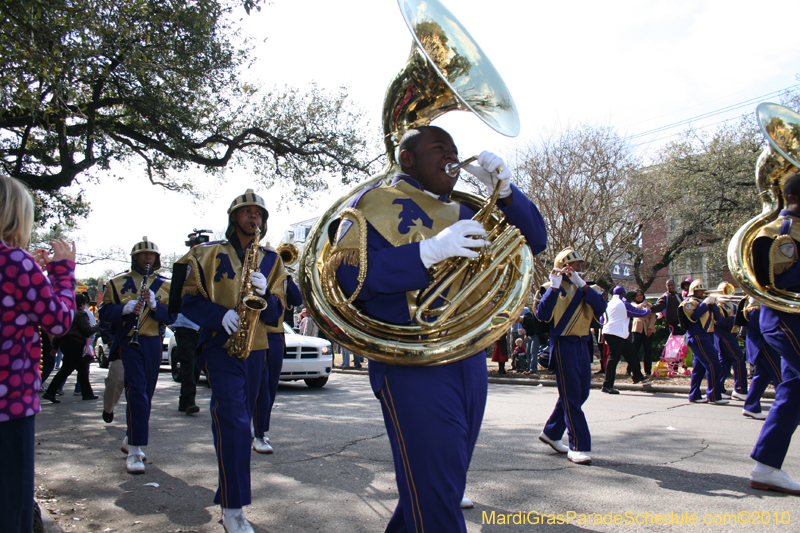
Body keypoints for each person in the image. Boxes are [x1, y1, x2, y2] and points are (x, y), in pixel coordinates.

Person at [333, 126, 547, 532]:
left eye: (454, 148)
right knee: (435, 495)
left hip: (468, 355)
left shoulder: (464, 212)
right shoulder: (372, 203)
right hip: (410, 359)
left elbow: (534, 240)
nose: (452, 155)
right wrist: (427, 252)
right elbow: (348, 278)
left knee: (439, 485)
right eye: (439, 147)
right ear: (407, 158)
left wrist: (505, 193)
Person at [179, 189, 287, 533]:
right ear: (234, 218)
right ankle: (233, 507)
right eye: (247, 213)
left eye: (258, 214)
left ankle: (229, 491)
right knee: (235, 422)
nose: (253, 218)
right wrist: (216, 315)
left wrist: (266, 294)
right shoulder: (206, 253)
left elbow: (281, 310)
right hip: (219, 346)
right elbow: (184, 298)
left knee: (236, 422)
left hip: (256, 348)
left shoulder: (273, 260)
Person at [0, 174, 77, 533]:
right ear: (17, 216)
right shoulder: (16, 263)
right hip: (9, 405)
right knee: (11, 506)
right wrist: (61, 272)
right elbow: (59, 320)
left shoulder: (17, 264)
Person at [99, 238, 174, 474]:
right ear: (135, 258)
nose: (148, 259)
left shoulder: (166, 285)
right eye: (144, 255)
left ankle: (132, 434)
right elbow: (104, 313)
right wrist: (125, 308)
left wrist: (154, 305)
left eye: (152, 255)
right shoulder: (117, 282)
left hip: (152, 341)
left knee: (146, 394)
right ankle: (134, 450)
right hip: (130, 343)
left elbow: (171, 316)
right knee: (137, 392)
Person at [748, 173, 800, 494]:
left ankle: (766, 466)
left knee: (794, 387)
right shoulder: (778, 231)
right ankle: (766, 465)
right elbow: (782, 281)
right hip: (785, 319)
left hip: (791, 320)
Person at [535, 248, 606, 465]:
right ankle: (578, 445)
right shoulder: (548, 288)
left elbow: (602, 308)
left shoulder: (588, 288)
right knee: (572, 395)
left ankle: (551, 432)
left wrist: (583, 285)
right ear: (563, 266)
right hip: (563, 343)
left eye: (579, 265)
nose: (577, 268)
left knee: (581, 393)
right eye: (573, 265)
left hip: (583, 343)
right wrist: (554, 288)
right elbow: (542, 315)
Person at [253, 274, 302, 454]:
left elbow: (297, 299)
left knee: (271, 387)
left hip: (276, 336)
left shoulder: (283, 278)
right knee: (260, 386)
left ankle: (261, 429)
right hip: (257, 332)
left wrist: (288, 279)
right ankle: (257, 433)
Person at [42, 293, 99, 402]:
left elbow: (60, 332)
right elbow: (87, 331)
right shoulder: (80, 314)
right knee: (67, 369)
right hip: (76, 344)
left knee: (82, 369)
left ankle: (87, 393)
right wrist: (98, 326)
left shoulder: (66, 314)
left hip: (66, 344)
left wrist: (55, 346)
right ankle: (50, 392)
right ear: (82, 304)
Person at [679, 280, 728, 405]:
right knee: (713, 364)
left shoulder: (704, 303)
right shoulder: (689, 303)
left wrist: (713, 304)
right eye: (700, 290)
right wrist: (705, 304)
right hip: (698, 336)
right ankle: (713, 395)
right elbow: (694, 317)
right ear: (694, 291)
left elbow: (719, 319)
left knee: (699, 368)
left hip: (708, 336)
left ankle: (694, 394)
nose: (703, 292)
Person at [601, 286, 651, 394]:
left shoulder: (609, 304)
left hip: (611, 332)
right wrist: (647, 310)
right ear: (623, 293)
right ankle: (607, 385)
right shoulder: (623, 304)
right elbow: (639, 313)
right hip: (616, 334)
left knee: (631, 352)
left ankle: (638, 376)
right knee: (613, 359)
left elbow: (602, 318)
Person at [740, 298, 781, 420]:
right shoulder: (756, 307)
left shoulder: (759, 305)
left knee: (762, 377)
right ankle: (787, 411)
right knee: (781, 377)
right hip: (764, 345)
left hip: (764, 345)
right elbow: (767, 329)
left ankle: (751, 406)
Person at [712, 282, 748, 401]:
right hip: (724, 335)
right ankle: (740, 389)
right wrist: (735, 319)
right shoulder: (718, 305)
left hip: (731, 334)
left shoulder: (733, 304)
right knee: (738, 359)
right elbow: (719, 321)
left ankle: (718, 389)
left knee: (725, 363)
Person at [629, 289, 657, 376]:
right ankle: (632, 369)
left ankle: (648, 370)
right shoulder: (633, 304)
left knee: (648, 350)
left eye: (641, 295)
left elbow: (653, 316)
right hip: (637, 328)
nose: (640, 297)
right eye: (637, 295)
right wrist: (643, 305)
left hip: (647, 327)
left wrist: (650, 328)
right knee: (634, 349)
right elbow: (634, 309)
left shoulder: (648, 305)